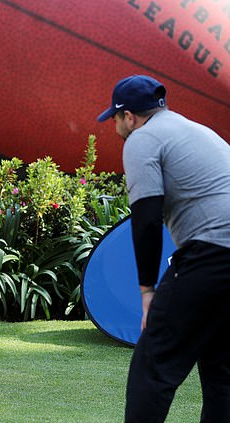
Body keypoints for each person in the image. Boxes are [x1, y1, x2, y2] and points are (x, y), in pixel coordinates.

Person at [97, 75, 230, 422]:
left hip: (212, 255)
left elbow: (146, 218)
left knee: (152, 367)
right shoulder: (197, 131)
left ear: (129, 117)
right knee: (221, 368)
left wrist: (146, 292)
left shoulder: (143, 139)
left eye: (114, 119)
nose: (115, 127)